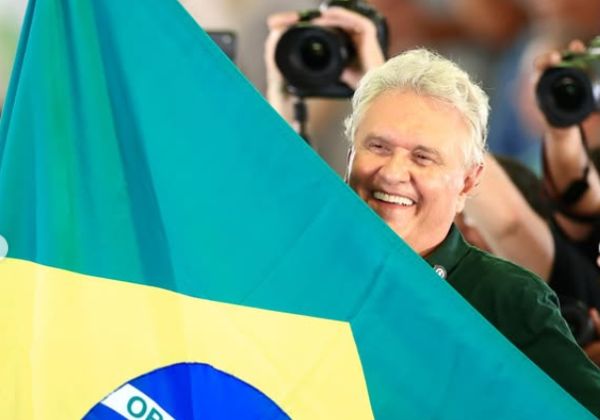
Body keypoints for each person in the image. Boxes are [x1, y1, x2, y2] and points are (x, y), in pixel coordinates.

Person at [266, 8, 600, 415]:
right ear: (350, 154)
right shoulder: (299, 266)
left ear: (468, 183)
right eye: (378, 147)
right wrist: (282, 92)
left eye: (422, 157)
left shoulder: (508, 300)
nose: (393, 173)